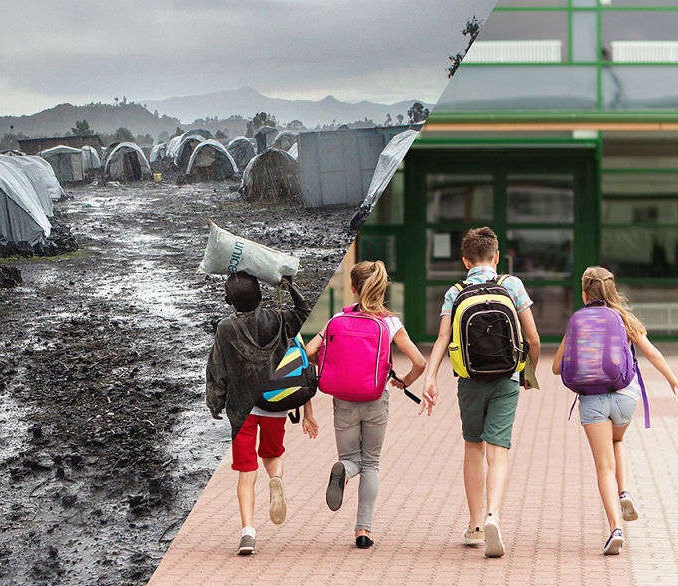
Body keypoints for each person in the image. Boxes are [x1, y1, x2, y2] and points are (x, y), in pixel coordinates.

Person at [419, 227, 541, 558]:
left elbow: (443, 337)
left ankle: (474, 523)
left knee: (474, 445)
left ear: (464, 260)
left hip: (469, 379)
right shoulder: (511, 285)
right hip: (507, 378)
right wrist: (527, 372)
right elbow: (533, 339)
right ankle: (493, 516)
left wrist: (430, 376)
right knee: (498, 449)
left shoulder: (455, 292)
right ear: (497, 257)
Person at [552, 267, 678, 556]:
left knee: (604, 467)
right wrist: (675, 382)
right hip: (625, 397)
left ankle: (615, 529)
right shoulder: (624, 319)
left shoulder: (576, 323)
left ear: (585, 293)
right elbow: (652, 353)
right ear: (612, 291)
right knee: (618, 441)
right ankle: (624, 491)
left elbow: (556, 367)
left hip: (592, 400)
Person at [306, 260, 425, 548]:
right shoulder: (390, 323)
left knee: (350, 458)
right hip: (375, 398)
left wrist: (332, 361)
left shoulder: (337, 319)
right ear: (382, 288)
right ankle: (363, 532)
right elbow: (419, 362)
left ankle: (344, 470)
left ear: (354, 288)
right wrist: (405, 381)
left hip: (343, 398)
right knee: (371, 463)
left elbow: (309, 352)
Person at [206, 271, 318, 555]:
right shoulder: (278, 319)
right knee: (272, 454)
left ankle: (247, 532)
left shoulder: (225, 328)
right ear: (259, 295)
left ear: (230, 301)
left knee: (246, 472)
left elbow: (217, 370)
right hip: (274, 404)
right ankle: (276, 479)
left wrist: (215, 403)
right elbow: (304, 311)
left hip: (242, 408)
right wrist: (289, 286)